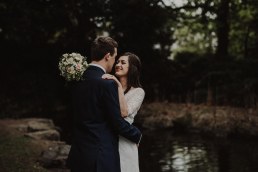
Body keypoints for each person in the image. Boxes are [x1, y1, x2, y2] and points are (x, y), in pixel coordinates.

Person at [66, 36, 142, 172]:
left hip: (79, 153)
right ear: (108, 56)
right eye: (115, 58)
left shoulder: (75, 80)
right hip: (100, 157)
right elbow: (117, 122)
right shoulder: (106, 84)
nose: (115, 63)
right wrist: (137, 135)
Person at [102, 52, 145, 172]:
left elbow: (124, 112)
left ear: (132, 68)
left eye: (123, 62)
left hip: (125, 141)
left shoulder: (138, 92)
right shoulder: (109, 86)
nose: (118, 64)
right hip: (108, 140)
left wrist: (119, 87)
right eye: (117, 61)